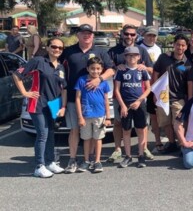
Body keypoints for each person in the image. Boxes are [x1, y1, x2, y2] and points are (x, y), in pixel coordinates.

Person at [59, 24, 114, 173]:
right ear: (78, 35)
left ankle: (92, 160)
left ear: (93, 36)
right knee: (75, 130)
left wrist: (99, 79)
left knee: (95, 134)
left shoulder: (100, 51)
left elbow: (111, 69)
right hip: (73, 97)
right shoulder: (69, 51)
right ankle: (72, 160)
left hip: (95, 103)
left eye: (89, 33)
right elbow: (56, 65)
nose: (86, 35)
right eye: (83, 33)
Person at [13, 37, 67, 178]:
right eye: (54, 46)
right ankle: (39, 166)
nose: (57, 50)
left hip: (53, 105)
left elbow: (64, 88)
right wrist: (25, 92)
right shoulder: (38, 61)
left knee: (50, 134)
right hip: (38, 104)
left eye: (60, 48)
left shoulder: (60, 67)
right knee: (42, 134)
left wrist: (63, 106)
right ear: (48, 48)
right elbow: (17, 74)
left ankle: (50, 162)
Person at [108, 24, 154, 162]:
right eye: (127, 34)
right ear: (122, 34)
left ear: (136, 36)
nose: (129, 36)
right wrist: (116, 67)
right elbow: (107, 68)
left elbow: (151, 69)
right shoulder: (114, 51)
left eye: (132, 34)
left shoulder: (141, 50)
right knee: (118, 122)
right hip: (121, 95)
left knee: (142, 125)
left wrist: (143, 66)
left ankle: (143, 148)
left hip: (138, 96)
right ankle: (118, 149)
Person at [152, 33, 193, 154]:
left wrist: (190, 100)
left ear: (186, 47)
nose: (180, 48)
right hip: (162, 97)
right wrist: (154, 93)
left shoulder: (188, 64)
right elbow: (155, 73)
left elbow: (190, 83)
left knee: (179, 123)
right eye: (177, 45)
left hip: (178, 98)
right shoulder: (163, 58)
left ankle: (183, 145)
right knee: (165, 123)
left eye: (182, 45)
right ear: (173, 45)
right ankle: (172, 143)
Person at [114, 46, 151, 168]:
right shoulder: (121, 71)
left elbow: (148, 88)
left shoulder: (142, 70)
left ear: (139, 57)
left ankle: (141, 155)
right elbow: (117, 90)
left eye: (134, 55)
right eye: (129, 55)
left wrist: (139, 101)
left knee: (140, 130)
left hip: (139, 105)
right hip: (126, 105)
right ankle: (128, 156)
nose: (132, 57)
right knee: (126, 130)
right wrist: (123, 106)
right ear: (125, 57)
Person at [75, 57, 111, 173]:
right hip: (86, 115)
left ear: (102, 70)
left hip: (99, 115)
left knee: (98, 138)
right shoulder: (81, 80)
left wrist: (108, 117)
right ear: (87, 69)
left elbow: (106, 100)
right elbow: (77, 98)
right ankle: (86, 160)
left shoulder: (104, 83)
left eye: (98, 69)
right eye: (92, 69)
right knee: (86, 138)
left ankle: (97, 161)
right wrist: (80, 116)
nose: (95, 71)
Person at [139, 26, 163, 154]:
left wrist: (148, 68)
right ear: (144, 35)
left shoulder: (158, 49)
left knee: (155, 116)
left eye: (153, 35)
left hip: (156, 86)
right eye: (149, 35)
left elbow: (157, 69)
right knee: (143, 117)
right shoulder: (139, 48)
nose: (151, 38)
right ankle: (143, 144)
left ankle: (158, 141)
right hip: (141, 85)